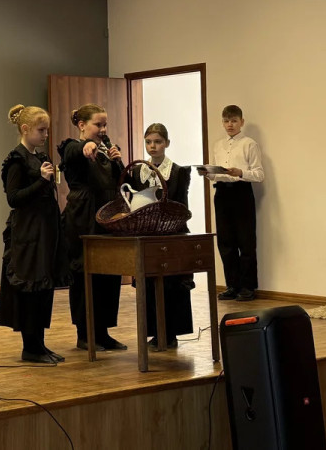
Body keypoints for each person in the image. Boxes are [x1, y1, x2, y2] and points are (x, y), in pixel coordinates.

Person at [0, 105, 70, 364]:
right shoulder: (16, 160)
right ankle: (30, 347)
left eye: (47, 130)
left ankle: (40, 344)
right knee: (30, 286)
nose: (45, 135)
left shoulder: (40, 157)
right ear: (25, 129)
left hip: (44, 232)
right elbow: (14, 198)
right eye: (41, 130)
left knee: (43, 287)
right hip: (27, 234)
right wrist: (40, 181)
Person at [58, 103, 128, 352]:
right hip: (83, 218)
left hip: (108, 217)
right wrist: (85, 146)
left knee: (109, 274)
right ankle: (84, 333)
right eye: (98, 124)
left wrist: (119, 162)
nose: (103, 129)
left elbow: (123, 183)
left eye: (105, 124)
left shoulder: (107, 151)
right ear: (82, 125)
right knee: (84, 274)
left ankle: (103, 332)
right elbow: (73, 151)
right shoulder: (73, 147)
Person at [124, 123, 193, 349]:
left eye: (158, 142)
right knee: (149, 284)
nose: (152, 146)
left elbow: (181, 204)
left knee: (172, 286)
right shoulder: (137, 172)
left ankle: (171, 333)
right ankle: (154, 332)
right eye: (148, 142)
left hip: (172, 233)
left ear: (167, 143)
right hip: (147, 234)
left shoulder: (178, 171)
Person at [199, 105, 264, 302]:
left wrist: (240, 172)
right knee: (225, 242)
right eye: (226, 121)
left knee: (246, 241)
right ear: (222, 122)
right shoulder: (218, 145)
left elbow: (259, 174)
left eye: (234, 121)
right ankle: (232, 286)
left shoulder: (249, 144)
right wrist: (208, 173)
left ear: (241, 122)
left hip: (241, 192)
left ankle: (247, 287)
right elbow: (216, 174)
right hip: (222, 193)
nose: (230, 125)